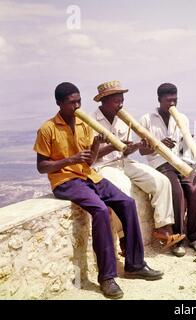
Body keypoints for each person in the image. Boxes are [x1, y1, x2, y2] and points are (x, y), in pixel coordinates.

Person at [33, 82, 163, 299]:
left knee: (127, 203)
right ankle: (107, 277)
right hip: (65, 180)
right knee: (101, 211)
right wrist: (70, 160)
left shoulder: (84, 125)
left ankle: (135, 264)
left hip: (88, 175)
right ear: (59, 103)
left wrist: (96, 144)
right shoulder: (47, 128)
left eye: (78, 101)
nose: (76, 106)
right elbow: (41, 166)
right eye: (71, 102)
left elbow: (91, 160)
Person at [91, 80, 184, 256]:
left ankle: (164, 229)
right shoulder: (92, 121)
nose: (121, 104)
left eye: (122, 100)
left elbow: (126, 150)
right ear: (104, 101)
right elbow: (92, 155)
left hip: (123, 162)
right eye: (116, 101)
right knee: (123, 189)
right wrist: (114, 145)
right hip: (104, 166)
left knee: (161, 181)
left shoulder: (123, 118)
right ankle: (124, 239)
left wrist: (134, 146)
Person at [139, 83, 196, 256]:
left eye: (175, 100)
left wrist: (187, 141)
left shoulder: (181, 118)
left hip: (180, 161)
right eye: (168, 100)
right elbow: (142, 150)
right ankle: (178, 239)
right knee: (176, 193)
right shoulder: (147, 119)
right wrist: (159, 145)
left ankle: (195, 236)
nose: (172, 104)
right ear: (159, 100)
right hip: (160, 163)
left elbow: (183, 150)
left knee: (195, 188)